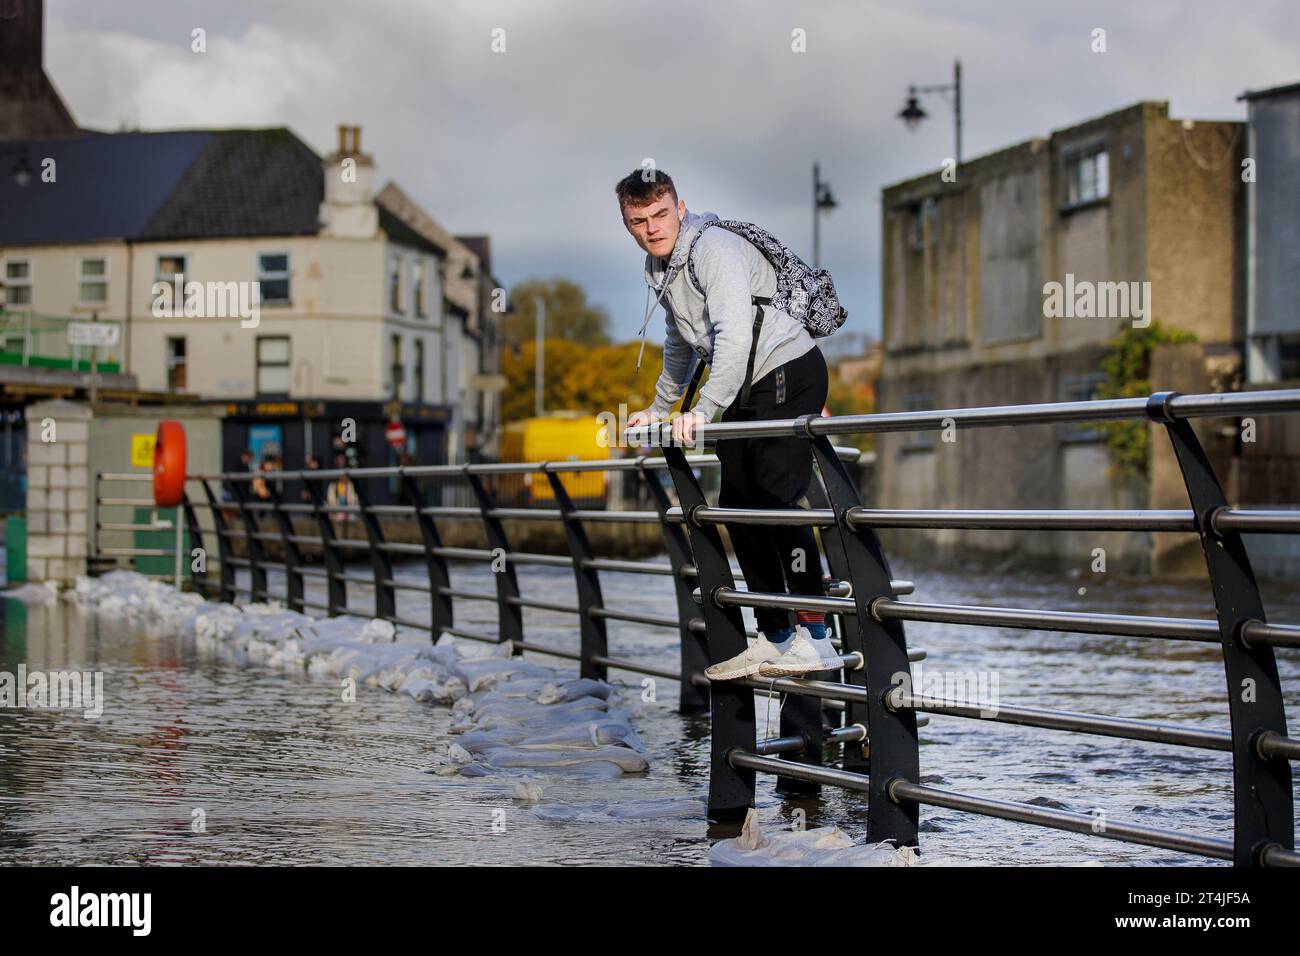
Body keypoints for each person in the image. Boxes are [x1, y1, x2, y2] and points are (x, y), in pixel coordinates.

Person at [619, 168, 839, 680]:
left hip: (786, 368)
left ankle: (818, 637)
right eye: (638, 221)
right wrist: (659, 409)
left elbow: (734, 336)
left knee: (777, 500)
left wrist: (700, 411)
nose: (652, 228)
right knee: (738, 509)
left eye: (660, 214)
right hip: (744, 381)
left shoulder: (713, 249)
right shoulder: (660, 268)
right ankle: (776, 636)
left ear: (680, 206)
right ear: (627, 225)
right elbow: (679, 344)